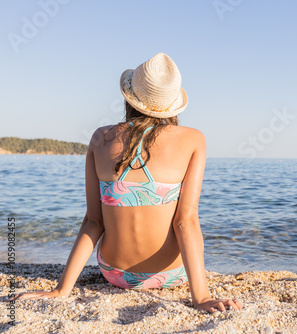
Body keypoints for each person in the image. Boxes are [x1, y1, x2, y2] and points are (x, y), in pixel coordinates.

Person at [11, 53, 243, 314]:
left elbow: (93, 222)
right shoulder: (193, 139)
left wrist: (61, 290)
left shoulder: (101, 138)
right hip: (169, 274)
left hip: (114, 273)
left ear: (129, 97)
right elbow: (185, 222)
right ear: (172, 103)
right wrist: (200, 298)